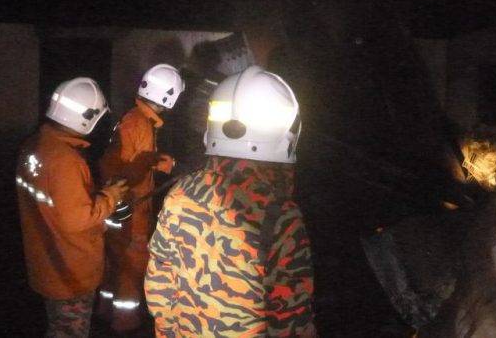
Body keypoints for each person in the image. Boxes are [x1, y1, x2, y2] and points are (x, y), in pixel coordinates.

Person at [145, 65, 316, 337]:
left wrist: (167, 332)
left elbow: (160, 280)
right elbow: (289, 317)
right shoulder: (280, 215)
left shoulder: (180, 193)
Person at [16, 77, 129, 338]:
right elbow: (77, 219)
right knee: (69, 332)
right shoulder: (66, 160)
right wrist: (110, 196)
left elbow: (55, 202)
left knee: (58, 326)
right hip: (70, 270)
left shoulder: (33, 146)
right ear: (86, 118)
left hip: (46, 260)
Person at [98, 63, 185, 332]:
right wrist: (152, 165)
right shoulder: (141, 125)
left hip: (116, 205)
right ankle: (126, 322)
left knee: (113, 263)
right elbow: (129, 170)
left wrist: (156, 162)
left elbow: (127, 162)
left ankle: (104, 313)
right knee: (132, 267)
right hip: (131, 210)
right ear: (169, 97)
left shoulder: (133, 118)